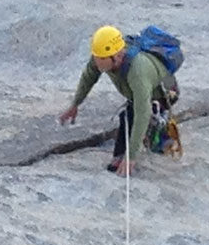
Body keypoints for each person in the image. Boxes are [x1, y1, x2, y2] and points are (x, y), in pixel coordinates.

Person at [58, 25, 179, 176]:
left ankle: (161, 139)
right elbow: (88, 77)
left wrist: (131, 157)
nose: (97, 62)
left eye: (101, 59)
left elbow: (143, 113)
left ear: (117, 56)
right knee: (129, 116)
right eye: (96, 57)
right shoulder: (103, 54)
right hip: (136, 93)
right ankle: (120, 157)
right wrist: (75, 104)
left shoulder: (138, 70)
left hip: (163, 94)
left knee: (135, 118)